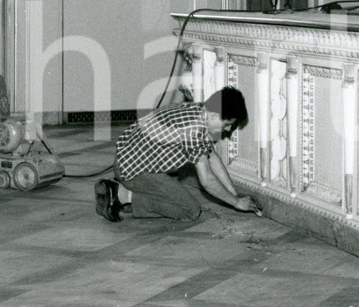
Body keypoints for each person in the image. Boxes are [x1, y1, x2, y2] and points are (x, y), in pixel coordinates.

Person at [95, 86, 261, 222]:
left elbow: (212, 157)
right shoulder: (194, 129)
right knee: (190, 210)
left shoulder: (198, 110)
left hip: (127, 159)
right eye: (227, 124)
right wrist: (237, 202)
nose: (228, 130)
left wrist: (234, 194)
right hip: (133, 172)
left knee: (174, 196)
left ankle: (125, 192)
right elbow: (207, 180)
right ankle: (120, 195)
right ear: (214, 115)